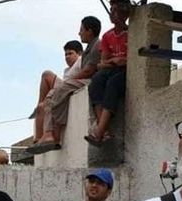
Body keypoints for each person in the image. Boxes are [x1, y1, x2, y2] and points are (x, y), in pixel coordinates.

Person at [26, 16, 102, 155]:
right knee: (52, 95)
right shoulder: (89, 48)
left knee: (56, 91)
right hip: (83, 80)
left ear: (89, 31)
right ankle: (50, 133)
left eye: (81, 30)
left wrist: (69, 81)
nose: (79, 33)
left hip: (90, 81)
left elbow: (89, 70)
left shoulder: (97, 45)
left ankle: (50, 133)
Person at [84, 0, 130, 147]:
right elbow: (102, 63)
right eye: (111, 9)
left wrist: (121, 60)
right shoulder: (107, 36)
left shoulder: (132, 33)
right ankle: (105, 130)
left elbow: (131, 60)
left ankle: (99, 132)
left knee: (113, 84)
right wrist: (115, 61)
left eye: (116, 9)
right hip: (112, 69)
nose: (113, 13)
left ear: (125, 13)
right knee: (96, 82)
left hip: (126, 73)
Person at [31, 40, 84, 144]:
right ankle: (40, 106)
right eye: (65, 54)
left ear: (79, 53)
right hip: (66, 86)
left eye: (70, 53)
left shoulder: (81, 61)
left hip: (71, 86)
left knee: (47, 75)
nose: (67, 57)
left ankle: (41, 107)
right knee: (45, 79)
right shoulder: (67, 70)